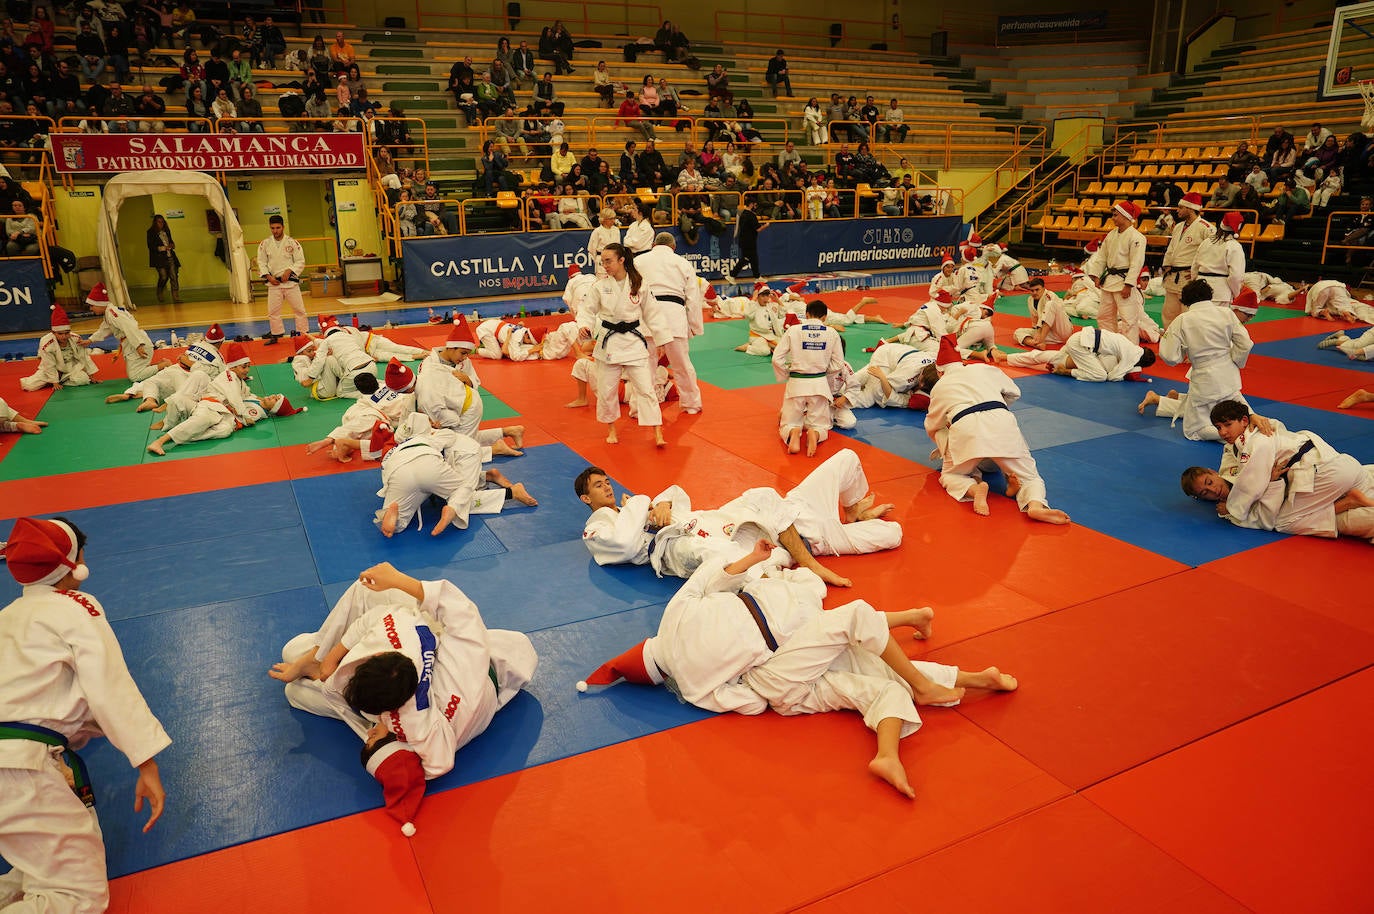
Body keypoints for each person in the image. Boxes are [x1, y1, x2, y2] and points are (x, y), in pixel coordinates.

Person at [578, 541, 1018, 798]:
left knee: (870, 675)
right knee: (855, 621)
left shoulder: (690, 685)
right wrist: (750, 561)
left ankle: (890, 753)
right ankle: (928, 684)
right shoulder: (673, 620)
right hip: (776, 664)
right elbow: (710, 580)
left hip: (776, 670)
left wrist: (758, 674)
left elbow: (740, 702)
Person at [269, 562, 538, 832]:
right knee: (364, 593)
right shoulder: (452, 672)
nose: (369, 734)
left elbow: (431, 764)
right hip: (487, 667)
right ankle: (313, 657)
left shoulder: (393, 723)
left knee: (293, 677)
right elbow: (459, 610)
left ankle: (312, 657)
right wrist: (397, 579)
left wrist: (326, 665)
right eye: (373, 737)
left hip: (421, 680)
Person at [0, 516, 170, 913]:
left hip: (19, 757)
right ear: (73, 565)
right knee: (78, 897)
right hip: (18, 766)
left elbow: (58, 702)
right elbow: (108, 687)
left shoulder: (7, 616)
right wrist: (146, 762)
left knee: (35, 870)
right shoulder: (76, 605)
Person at [575, 447, 901, 586]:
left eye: (607, 481)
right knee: (893, 534)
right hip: (806, 540)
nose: (606, 486)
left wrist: (658, 504)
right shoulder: (597, 527)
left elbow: (674, 494)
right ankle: (813, 555)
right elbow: (621, 543)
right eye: (597, 486)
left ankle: (853, 511)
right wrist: (642, 503)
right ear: (585, 498)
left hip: (785, 511)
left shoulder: (638, 509)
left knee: (847, 457)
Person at [1181, 399, 1374, 542]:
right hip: (1342, 463)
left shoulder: (1256, 442)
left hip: (1327, 476)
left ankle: (1350, 502)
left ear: (1243, 421)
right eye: (1218, 427)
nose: (1222, 432)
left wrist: (1231, 509)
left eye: (1227, 425)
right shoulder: (1254, 434)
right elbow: (1238, 461)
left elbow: (1251, 487)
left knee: (1283, 523)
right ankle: (1353, 499)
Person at [923, 336, 1071, 524]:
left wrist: (944, 441)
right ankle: (1035, 505)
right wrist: (997, 403)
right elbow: (1015, 392)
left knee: (952, 474)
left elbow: (932, 425)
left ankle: (975, 489)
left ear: (939, 372)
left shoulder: (940, 386)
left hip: (966, 428)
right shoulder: (984, 368)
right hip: (1001, 421)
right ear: (962, 362)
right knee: (1030, 476)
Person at [375, 414, 538, 537]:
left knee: (396, 526)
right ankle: (501, 489)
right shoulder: (430, 435)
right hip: (435, 461)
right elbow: (450, 437)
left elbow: (386, 480)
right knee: (462, 494)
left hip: (398, 471)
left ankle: (393, 517)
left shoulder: (394, 450)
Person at [1138, 279, 1253, 440]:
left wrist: (1182, 353)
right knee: (1240, 416)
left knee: (1193, 431)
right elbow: (1246, 344)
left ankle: (1241, 435)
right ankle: (1246, 432)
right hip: (1230, 378)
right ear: (1209, 295)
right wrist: (1235, 361)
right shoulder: (1227, 313)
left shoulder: (1182, 320)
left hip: (1204, 381)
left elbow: (1170, 357)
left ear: (1185, 300)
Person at [585, 243, 671, 446]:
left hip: (633, 342)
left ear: (621, 260)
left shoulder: (638, 284)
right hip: (609, 343)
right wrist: (584, 326)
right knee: (607, 391)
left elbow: (653, 313)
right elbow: (587, 310)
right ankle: (611, 429)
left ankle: (658, 432)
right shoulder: (600, 286)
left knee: (646, 388)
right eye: (602, 261)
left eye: (608, 261)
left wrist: (661, 339)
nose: (604, 265)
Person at [415, 319, 526, 458]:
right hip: (450, 406)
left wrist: (468, 380)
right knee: (456, 439)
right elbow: (427, 398)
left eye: (468, 353)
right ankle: (509, 431)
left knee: (459, 451)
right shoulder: (430, 366)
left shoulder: (463, 361)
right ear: (450, 347)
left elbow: (475, 383)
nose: (465, 357)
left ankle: (495, 449)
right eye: (463, 353)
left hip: (467, 407)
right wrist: (432, 420)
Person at [773, 300, 845, 456]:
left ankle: (792, 432)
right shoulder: (832, 333)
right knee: (821, 424)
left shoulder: (793, 330)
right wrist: (823, 373)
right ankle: (816, 434)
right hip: (819, 384)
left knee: (788, 422)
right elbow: (839, 363)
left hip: (796, 383)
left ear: (806, 314)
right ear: (825, 317)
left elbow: (776, 358)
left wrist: (787, 373)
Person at [1083, 200, 1147, 342]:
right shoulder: (1111, 235)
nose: (1113, 217)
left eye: (1115, 215)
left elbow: (1136, 264)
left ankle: (1131, 351)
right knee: (1104, 317)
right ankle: (1108, 345)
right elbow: (1101, 257)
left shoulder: (1137, 237)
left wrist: (1129, 285)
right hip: (1109, 282)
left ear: (1125, 216)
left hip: (1124, 282)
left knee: (1128, 319)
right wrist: (1096, 275)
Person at [996, 326, 1157, 381]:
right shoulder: (1132, 357)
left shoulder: (1131, 346)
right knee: (1100, 376)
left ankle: (1004, 357)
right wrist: (1129, 372)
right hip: (1082, 346)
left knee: (1044, 357)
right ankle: (1066, 372)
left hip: (1081, 340)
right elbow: (1113, 377)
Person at [84, 282, 157, 384]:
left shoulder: (113, 313)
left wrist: (138, 345)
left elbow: (129, 327)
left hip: (138, 343)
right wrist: (90, 340)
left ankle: (163, 366)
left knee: (135, 376)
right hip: (132, 343)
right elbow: (104, 329)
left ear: (99, 304)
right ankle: (158, 366)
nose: (91, 309)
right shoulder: (109, 313)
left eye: (92, 306)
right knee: (136, 372)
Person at [1158, 192, 1210, 328]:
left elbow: (1210, 254)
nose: (1177, 210)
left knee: (1188, 314)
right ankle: (1170, 341)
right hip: (1173, 276)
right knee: (1168, 313)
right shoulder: (1179, 226)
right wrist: (1166, 265)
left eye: (1181, 207)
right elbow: (1171, 248)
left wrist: (1198, 273)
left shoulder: (1206, 228)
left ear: (1191, 208)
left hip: (1189, 277)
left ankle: (1189, 344)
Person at [21, 305, 98, 391]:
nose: (64, 336)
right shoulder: (46, 342)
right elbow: (48, 364)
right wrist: (54, 382)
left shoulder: (75, 338)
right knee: (29, 386)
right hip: (53, 368)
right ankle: (57, 379)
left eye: (67, 333)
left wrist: (91, 375)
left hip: (70, 367)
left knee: (83, 380)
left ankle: (64, 380)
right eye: (60, 334)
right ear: (53, 333)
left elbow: (84, 357)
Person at [258, 214, 308, 343]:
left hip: (290, 282)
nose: (275, 231)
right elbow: (261, 262)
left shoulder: (292, 243)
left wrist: (289, 271)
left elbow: (300, 261)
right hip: (274, 283)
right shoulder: (265, 244)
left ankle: (303, 334)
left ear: (283, 227)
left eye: (278, 228)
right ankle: (276, 334)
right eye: (273, 228)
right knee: (273, 312)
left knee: (299, 310)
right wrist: (268, 277)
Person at [1192, 210, 1246, 313]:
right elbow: (1235, 276)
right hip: (1220, 292)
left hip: (1200, 288)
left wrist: (1195, 282)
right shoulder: (1234, 246)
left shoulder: (1206, 242)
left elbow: (1194, 266)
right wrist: (1237, 293)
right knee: (1217, 324)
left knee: (1199, 321)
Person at [1012, 277, 1074, 349]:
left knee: (1050, 304)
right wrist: (1036, 332)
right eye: (1032, 290)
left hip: (1062, 329)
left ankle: (1040, 341)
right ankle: (1035, 344)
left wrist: (1039, 332)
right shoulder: (1030, 299)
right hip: (1050, 334)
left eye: (1037, 290)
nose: (1034, 292)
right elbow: (1035, 318)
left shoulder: (1049, 296)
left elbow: (1044, 316)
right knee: (1018, 332)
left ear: (1043, 289)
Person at [723, 196, 764, 284]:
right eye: (755, 204)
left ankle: (757, 277)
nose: (755, 206)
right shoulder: (751, 215)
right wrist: (766, 225)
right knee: (746, 259)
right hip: (749, 241)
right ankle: (732, 275)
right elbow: (758, 229)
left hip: (743, 240)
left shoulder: (742, 214)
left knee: (753, 259)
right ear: (752, 204)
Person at [146, 213, 180, 303]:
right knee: (164, 276)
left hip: (170, 256)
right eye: (159, 222)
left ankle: (175, 296)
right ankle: (160, 291)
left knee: (174, 276)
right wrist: (162, 248)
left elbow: (171, 242)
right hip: (159, 258)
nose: (161, 224)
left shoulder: (167, 231)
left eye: (162, 222)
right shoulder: (150, 232)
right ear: (155, 223)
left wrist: (172, 245)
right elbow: (150, 246)